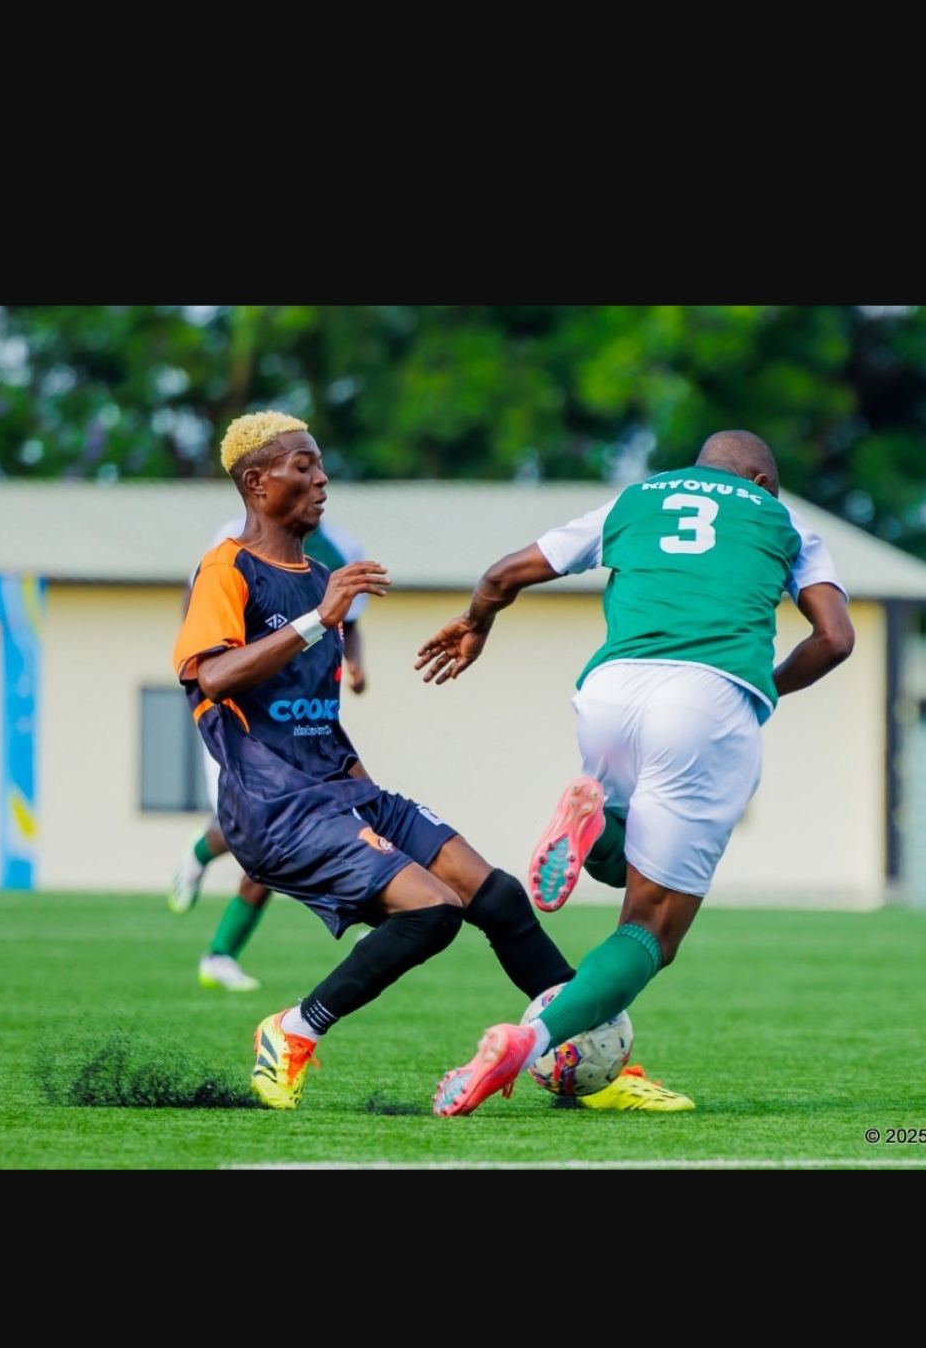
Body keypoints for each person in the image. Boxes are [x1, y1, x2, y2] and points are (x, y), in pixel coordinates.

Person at [173, 410, 675, 1114]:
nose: (321, 480)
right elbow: (213, 677)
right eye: (303, 467)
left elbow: (313, 715)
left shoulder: (321, 577)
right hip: (275, 811)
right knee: (434, 912)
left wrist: (364, 789)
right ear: (256, 483)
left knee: (497, 897)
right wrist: (320, 619)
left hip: (343, 791)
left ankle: (586, 1059)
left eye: (321, 465)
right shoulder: (227, 569)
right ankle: (292, 1031)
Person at [415, 428, 855, 1117]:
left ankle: (594, 825)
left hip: (609, 694)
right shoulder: (785, 521)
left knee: (625, 867)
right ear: (763, 484)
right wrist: (758, 689)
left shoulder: (637, 499)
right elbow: (835, 638)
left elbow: (503, 575)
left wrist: (477, 621)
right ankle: (527, 1043)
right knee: (652, 929)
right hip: (707, 700)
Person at [167, 510, 370, 993]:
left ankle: (220, 954)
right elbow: (198, 605)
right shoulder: (233, 542)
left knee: (283, 835)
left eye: (317, 474)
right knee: (267, 833)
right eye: (302, 474)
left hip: (298, 714)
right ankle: (204, 853)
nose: (315, 483)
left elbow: (348, 621)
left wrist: (356, 665)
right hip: (243, 714)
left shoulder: (342, 550)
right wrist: (204, 661)